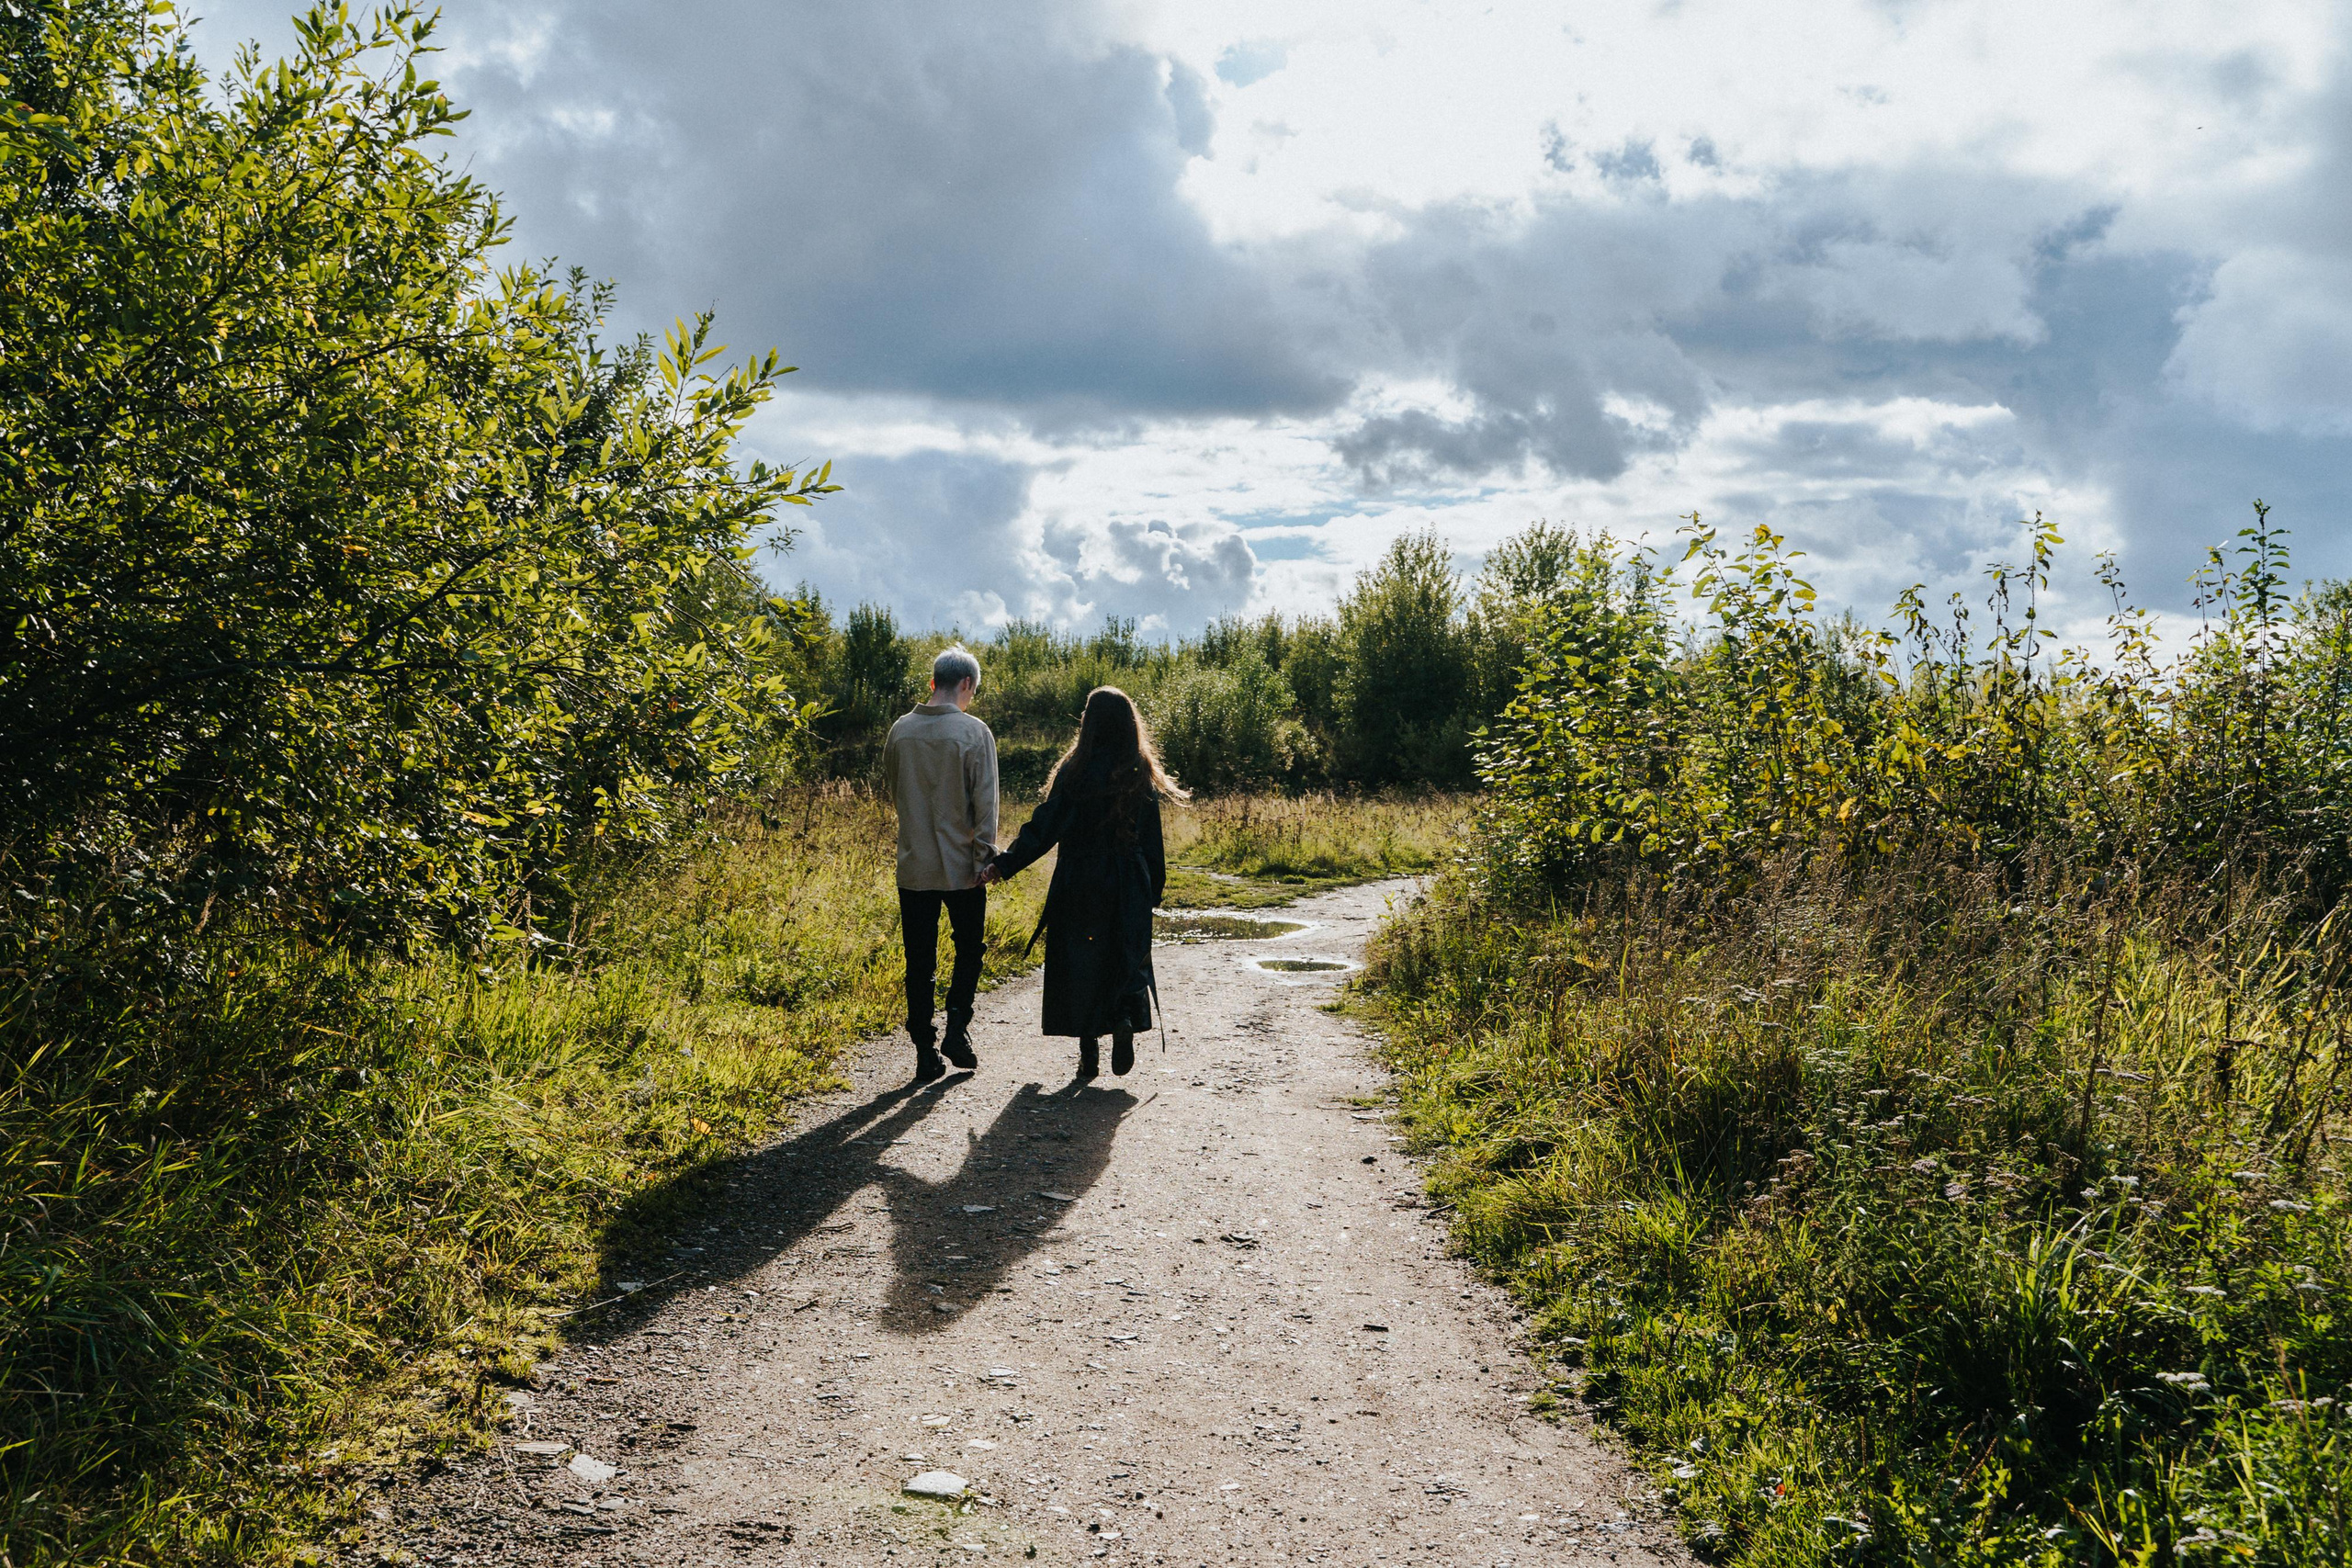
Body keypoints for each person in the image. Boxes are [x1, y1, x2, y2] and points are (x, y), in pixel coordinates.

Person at [983, 686, 1186, 1079]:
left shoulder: (1075, 770)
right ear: (1130, 724)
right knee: (1120, 957)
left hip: (1081, 880)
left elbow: (1046, 826)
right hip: (1128, 882)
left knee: (1083, 963)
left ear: (1088, 723)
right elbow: (1152, 839)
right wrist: (1152, 891)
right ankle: (1124, 1017)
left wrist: (1004, 864)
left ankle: (1088, 1052)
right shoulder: (1139, 769)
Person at [883, 646, 999, 1084]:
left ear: (934, 682)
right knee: (970, 950)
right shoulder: (974, 733)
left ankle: (923, 1051)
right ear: (966, 684)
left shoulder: (901, 731)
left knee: (919, 959)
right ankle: (957, 1030)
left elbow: (893, 788)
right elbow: (985, 806)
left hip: (914, 867)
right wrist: (985, 859)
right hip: (964, 868)